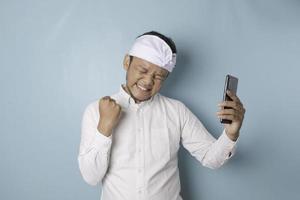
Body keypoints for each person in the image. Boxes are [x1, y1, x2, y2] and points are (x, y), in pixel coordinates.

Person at [78, 31, 246, 200]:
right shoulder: (95, 111)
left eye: (159, 76)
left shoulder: (177, 111)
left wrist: (231, 134)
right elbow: (91, 177)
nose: (148, 81)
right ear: (126, 62)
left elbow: (211, 158)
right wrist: (105, 127)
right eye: (142, 70)